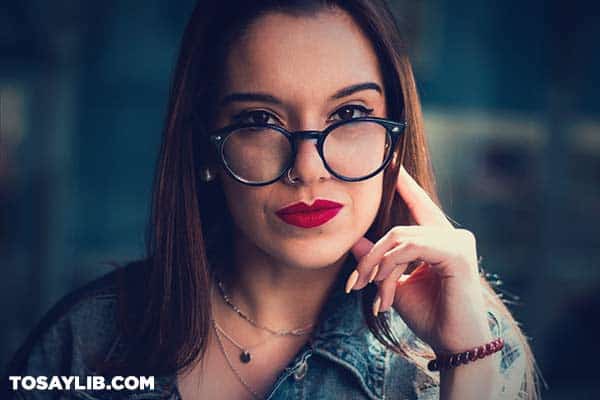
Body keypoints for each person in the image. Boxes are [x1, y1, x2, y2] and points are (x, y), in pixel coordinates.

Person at [3, 1, 542, 399]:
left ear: (392, 137)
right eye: (259, 120)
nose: (306, 168)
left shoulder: (476, 346)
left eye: (349, 115)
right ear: (206, 148)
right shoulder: (85, 344)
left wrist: (466, 363)